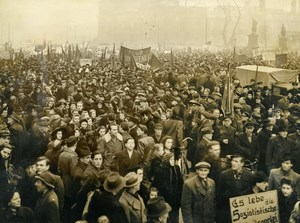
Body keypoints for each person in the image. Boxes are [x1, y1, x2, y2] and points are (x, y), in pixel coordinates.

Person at [217, 153, 255, 223]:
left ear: (242, 164)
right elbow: (219, 195)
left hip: (244, 211)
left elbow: (251, 193)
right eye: (233, 161)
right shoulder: (224, 175)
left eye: (236, 162)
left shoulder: (250, 175)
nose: (233, 163)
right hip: (228, 210)